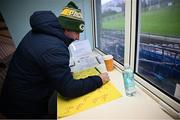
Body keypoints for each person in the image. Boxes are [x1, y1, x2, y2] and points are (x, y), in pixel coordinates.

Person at [0, 1, 110, 119]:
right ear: (66, 28)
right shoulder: (54, 48)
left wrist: (63, 73)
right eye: (76, 32)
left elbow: (46, 64)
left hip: (15, 97)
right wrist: (99, 79)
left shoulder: (44, 32)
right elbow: (68, 89)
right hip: (22, 109)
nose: (78, 38)